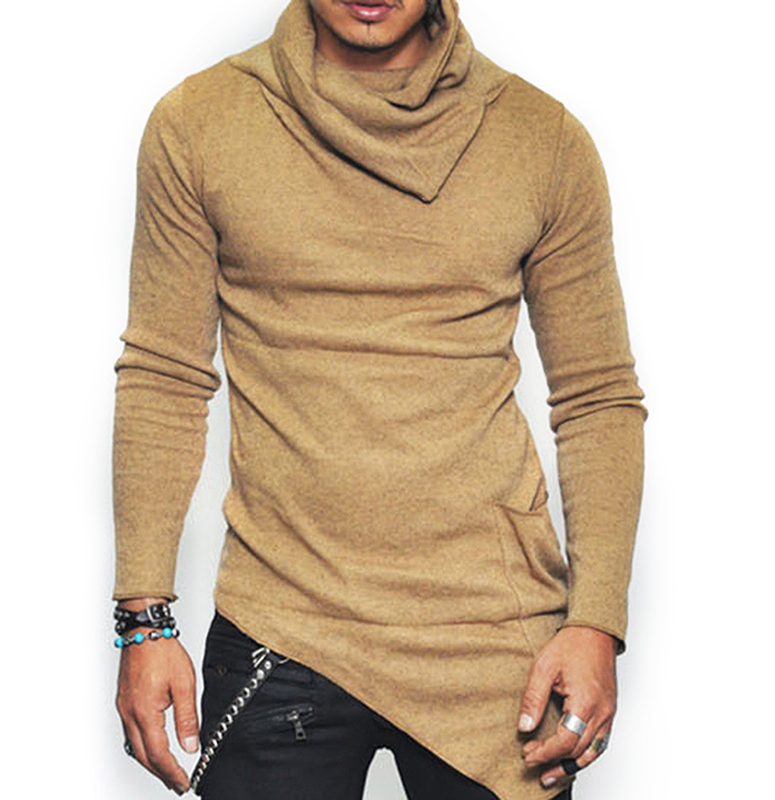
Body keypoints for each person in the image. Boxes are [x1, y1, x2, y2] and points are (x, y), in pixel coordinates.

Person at [111, 1, 647, 798]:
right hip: (281, 626)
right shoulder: (199, 124)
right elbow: (165, 373)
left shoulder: (544, 140)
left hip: (494, 643)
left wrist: (597, 620)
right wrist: (143, 619)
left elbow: (597, 396)